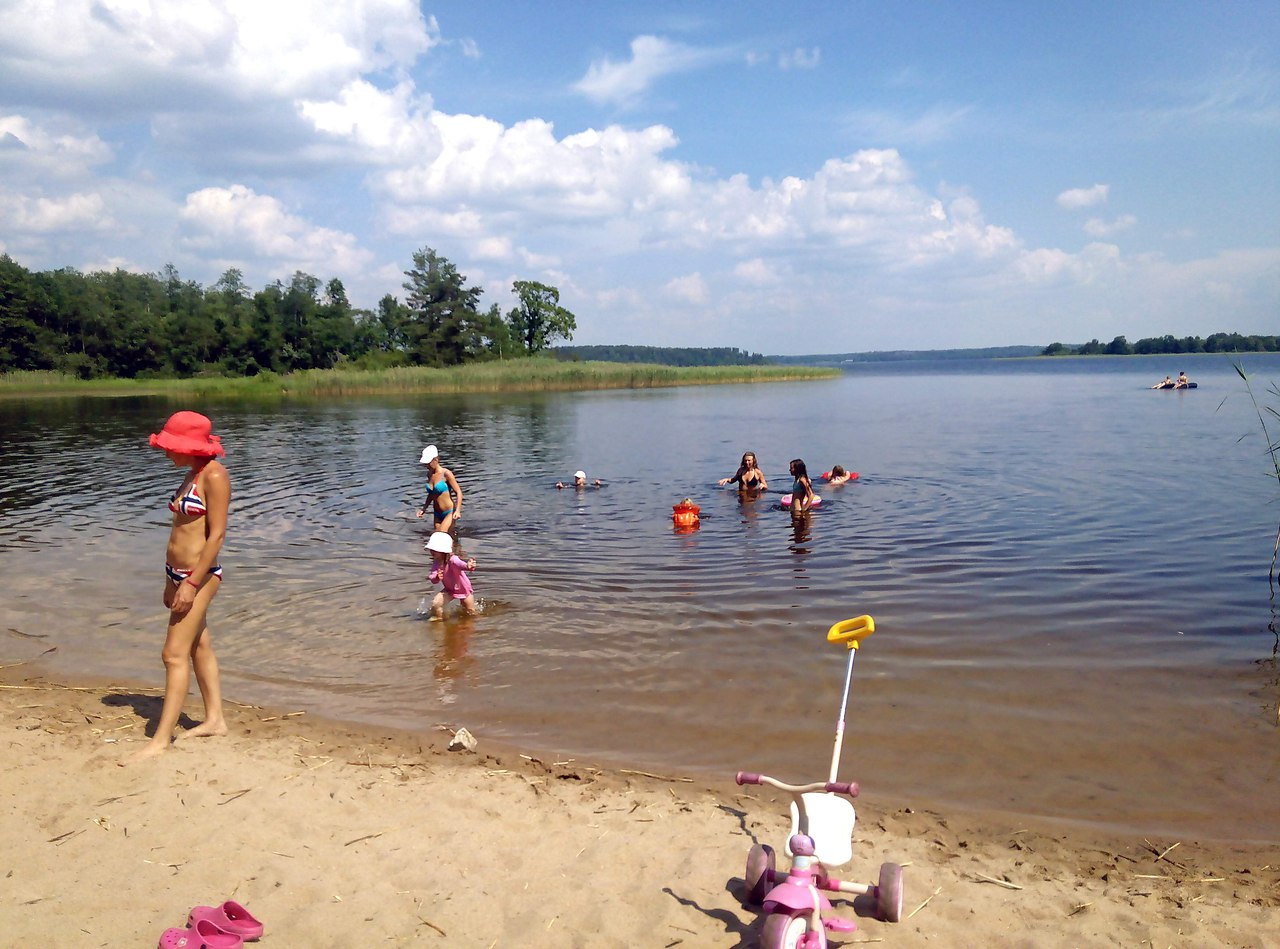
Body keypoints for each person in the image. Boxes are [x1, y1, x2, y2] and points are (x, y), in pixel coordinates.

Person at [126, 411, 230, 763]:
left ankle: (161, 740)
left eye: (171, 446)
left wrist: (191, 583)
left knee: (172, 654)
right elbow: (179, 533)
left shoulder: (214, 475)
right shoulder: (193, 474)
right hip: (178, 574)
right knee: (198, 646)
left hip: (199, 576)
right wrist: (169, 580)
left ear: (190, 446)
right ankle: (215, 720)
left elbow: (216, 536)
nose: (166, 452)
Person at [425, 531, 478, 618]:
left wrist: (469, 566)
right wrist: (437, 577)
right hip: (449, 589)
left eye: (434, 550)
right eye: (431, 549)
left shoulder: (453, 560)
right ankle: (439, 619)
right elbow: (433, 578)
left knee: (470, 613)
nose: (431, 552)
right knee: (436, 603)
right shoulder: (436, 562)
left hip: (464, 590)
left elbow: (462, 565)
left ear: (443, 550)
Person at [416, 445, 463, 534]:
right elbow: (431, 494)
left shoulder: (446, 474)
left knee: (442, 534)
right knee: (437, 535)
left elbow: (458, 492)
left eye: (428, 462)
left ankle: (457, 547)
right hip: (437, 514)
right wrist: (424, 509)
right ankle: (455, 545)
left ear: (436, 460)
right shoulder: (429, 474)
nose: (426, 465)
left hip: (449, 512)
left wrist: (457, 511)